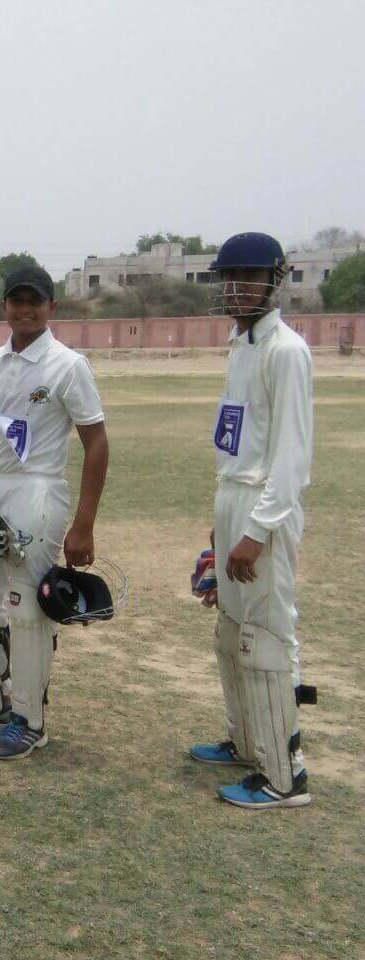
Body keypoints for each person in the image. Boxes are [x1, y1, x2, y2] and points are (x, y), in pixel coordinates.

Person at [0, 266, 109, 759]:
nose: (25, 309)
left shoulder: (68, 365)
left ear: (51, 307)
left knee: (29, 606)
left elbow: (97, 443)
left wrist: (84, 525)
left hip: (40, 490)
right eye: (17, 301)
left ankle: (29, 719)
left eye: (35, 301)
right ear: (4, 306)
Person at [188, 232, 316, 809]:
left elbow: (291, 456)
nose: (237, 287)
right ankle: (247, 744)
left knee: (265, 638)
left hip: (265, 506)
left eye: (249, 276)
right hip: (234, 498)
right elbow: (237, 439)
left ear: (274, 280)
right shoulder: (241, 345)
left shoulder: (286, 350)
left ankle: (284, 776)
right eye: (229, 277)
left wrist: (257, 531)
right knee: (231, 632)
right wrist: (222, 528)